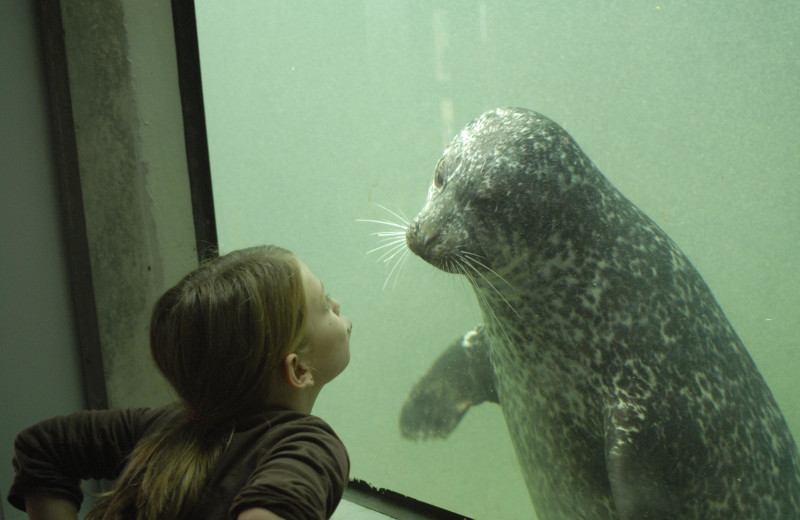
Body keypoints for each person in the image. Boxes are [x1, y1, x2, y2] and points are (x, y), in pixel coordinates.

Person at [8, 245, 353, 520]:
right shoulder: (307, 445)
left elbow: (42, 444)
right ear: (299, 370)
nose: (336, 304)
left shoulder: (168, 426)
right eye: (324, 304)